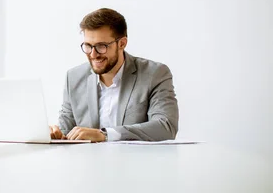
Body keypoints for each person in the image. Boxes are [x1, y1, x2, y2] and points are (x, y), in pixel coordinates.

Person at [49, 8, 179, 142]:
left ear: (122, 43)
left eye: (101, 46)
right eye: (88, 46)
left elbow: (166, 127)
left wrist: (105, 135)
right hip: (87, 162)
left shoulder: (155, 74)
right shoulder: (74, 77)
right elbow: (66, 131)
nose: (93, 55)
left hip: (137, 161)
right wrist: (54, 133)